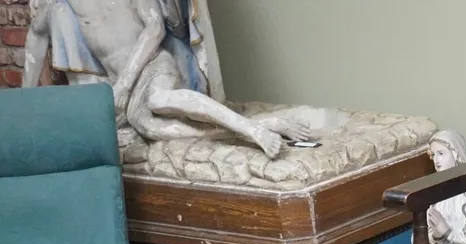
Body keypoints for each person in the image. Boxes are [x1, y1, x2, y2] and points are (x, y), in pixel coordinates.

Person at [23, 0, 308, 158]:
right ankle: (256, 127)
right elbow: (36, 37)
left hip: (153, 65)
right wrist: (23, 100)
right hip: (119, 86)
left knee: (160, 100)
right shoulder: (58, 3)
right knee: (149, 128)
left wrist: (124, 83)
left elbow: (155, 28)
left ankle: (252, 131)